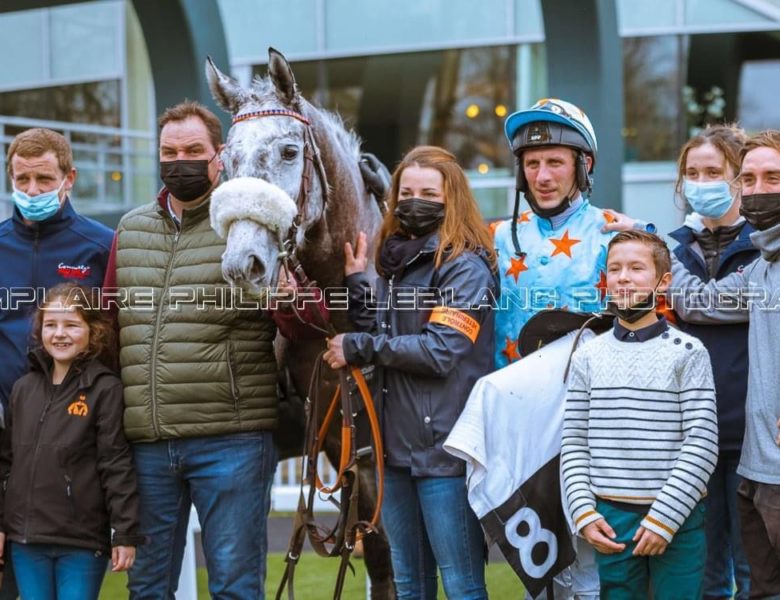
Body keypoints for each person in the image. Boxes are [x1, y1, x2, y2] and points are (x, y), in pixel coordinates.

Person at [103, 100, 323, 599]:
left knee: (235, 588)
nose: (180, 160)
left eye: (193, 150)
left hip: (233, 440)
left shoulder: (252, 224)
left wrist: (290, 299)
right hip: (148, 444)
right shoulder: (130, 228)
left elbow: (311, 320)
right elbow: (109, 332)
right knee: (148, 589)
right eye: (170, 151)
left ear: (219, 155)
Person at [324, 145, 498, 599]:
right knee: (408, 584)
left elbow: (441, 350)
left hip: (445, 453)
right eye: (406, 191)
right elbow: (384, 336)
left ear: (451, 198)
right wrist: (360, 284)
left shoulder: (465, 266)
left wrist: (358, 345)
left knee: (461, 585)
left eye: (428, 192)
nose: (414, 201)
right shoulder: (397, 263)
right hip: (393, 451)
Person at [494, 97, 642, 598]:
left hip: (600, 425)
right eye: (531, 164)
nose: (542, 175)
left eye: (555, 161)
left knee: (596, 568)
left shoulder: (619, 235)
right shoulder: (495, 239)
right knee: (546, 572)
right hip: (523, 426)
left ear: (584, 165)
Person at [562, 230, 718, 599]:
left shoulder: (688, 352)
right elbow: (573, 441)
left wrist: (665, 517)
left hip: (678, 516)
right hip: (610, 517)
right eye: (614, 269)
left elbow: (702, 442)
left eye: (636, 267)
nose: (624, 277)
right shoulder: (588, 355)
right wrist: (584, 512)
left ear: (663, 281)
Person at [0, 127, 114, 599]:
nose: (31, 191)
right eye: (21, 179)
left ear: (69, 178)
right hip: (5, 432)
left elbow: (117, 336)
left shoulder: (103, 246)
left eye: (43, 180)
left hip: (74, 441)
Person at [671, 130, 780, 599]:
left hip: (758, 440)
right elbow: (696, 302)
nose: (701, 183)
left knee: (758, 575)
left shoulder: (761, 252)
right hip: (696, 435)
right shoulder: (679, 249)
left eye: (714, 173)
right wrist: (653, 249)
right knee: (707, 575)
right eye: (691, 174)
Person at [0, 283, 142, 600]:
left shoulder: (106, 389)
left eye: (71, 324)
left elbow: (116, 464)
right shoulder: (23, 389)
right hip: (25, 539)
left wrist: (124, 532)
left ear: (93, 331)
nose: (60, 334)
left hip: (81, 541)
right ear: (40, 330)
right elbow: (6, 464)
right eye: (51, 324)